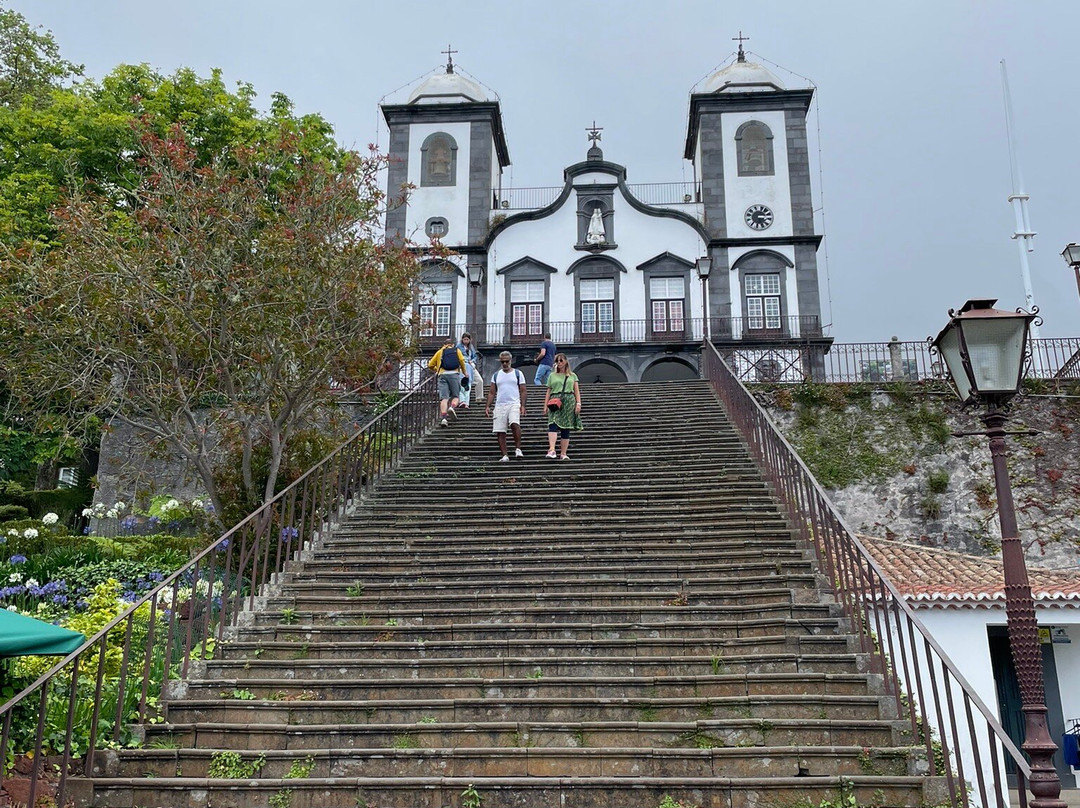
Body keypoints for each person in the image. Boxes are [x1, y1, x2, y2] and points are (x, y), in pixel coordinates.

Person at [485, 350, 527, 462]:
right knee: (500, 430)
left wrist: (523, 405)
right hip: (499, 404)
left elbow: (523, 390)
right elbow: (492, 392)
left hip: (514, 403)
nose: (504, 364)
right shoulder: (496, 375)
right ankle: (504, 455)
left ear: (511, 361)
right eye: (502, 362)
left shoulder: (518, 373)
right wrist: (488, 406)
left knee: (515, 423)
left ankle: (518, 448)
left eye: (506, 361)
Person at [543, 353, 583, 460]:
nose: (559, 363)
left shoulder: (572, 375)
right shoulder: (552, 375)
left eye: (561, 360)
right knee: (553, 423)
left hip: (569, 400)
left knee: (566, 427)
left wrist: (578, 403)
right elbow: (549, 390)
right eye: (557, 361)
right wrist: (545, 405)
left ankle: (563, 453)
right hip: (554, 401)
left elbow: (576, 391)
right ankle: (552, 449)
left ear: (566, 361)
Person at [427, 338, 468, 427]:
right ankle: (452, 407)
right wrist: (464, 372)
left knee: (444, 398)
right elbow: (461, 360)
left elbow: (430, 365)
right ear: (452, 345)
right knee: (456, 396)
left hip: (442, 375)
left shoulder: (440, 352)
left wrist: (437, 370)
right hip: (454, 374)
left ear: (444, 344)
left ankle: (444, 418)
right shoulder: (457, 350)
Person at [456, 332, 483, 408]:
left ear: (470, 340)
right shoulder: (458, 347)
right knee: (464, 383)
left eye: (467, 339)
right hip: (463, 366)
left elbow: (474, 356)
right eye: (464, 339)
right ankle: (463, 400)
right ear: (462, 339)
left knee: (480, 380)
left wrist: (472, 361)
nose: (466, 341)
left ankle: (479, 398)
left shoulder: (471, 347)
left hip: (471, 366)